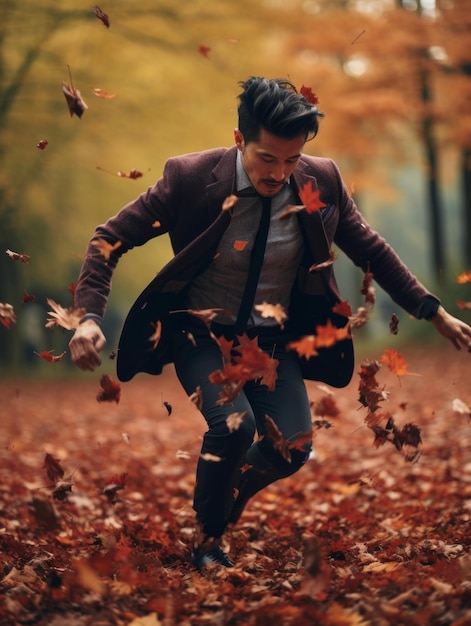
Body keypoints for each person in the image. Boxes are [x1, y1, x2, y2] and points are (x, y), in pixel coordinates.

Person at [69, 76, 471, 570]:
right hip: (201, 333)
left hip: (272, 341)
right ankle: (208, 539)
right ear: (240, 140)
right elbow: (109, 238)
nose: (280, 173)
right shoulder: (191, 178)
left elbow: (371, 250)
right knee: (235, 425)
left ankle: (219, 501)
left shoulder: (320, 183)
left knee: (292, 447)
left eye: (292, 159)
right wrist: (88, 317)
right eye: (267, 158)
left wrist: (432, 311)